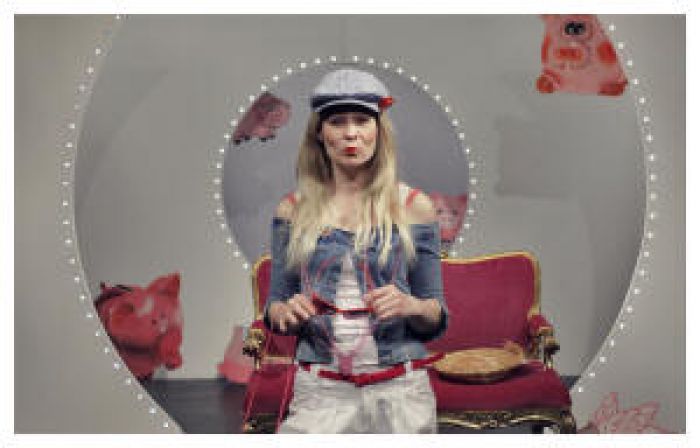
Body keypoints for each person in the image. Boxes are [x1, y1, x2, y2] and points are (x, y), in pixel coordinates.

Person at [263, 68, 449, 433]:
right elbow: (274, 308)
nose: (351, 133)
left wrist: (410, 305)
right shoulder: (293, 210)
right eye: (337, 122)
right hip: (321, 392)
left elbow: (436, 314)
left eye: (362, 121)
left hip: (401, 392)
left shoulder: (413, 206)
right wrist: (286, 312)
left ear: (378, 130)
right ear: (320, 133)